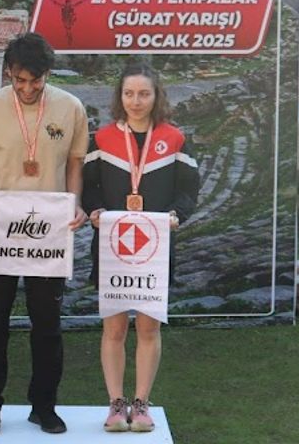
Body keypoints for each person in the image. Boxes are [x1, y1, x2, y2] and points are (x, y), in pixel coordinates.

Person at [0, 33, 88, 436]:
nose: (28, 89)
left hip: (49, 233)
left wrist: (75, 204)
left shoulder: (71, 107)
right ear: (9, 73)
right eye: (20, 80)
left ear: (47, 74)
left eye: (36, 81)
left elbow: (75, 164)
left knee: (48, 325)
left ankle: (44, 406)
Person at [81, 62, 199, 433]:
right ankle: (116, 404)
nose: (136, 101)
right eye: (129, 93)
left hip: (155, 248)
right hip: (113, 247)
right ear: (120, 97)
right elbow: (88, 186)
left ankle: (142, 403)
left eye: (144, 94)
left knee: (148, 328)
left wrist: (178, 213)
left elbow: (188, 189)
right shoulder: (102, 139)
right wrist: (94, 209)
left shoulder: (175, 139)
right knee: (114, 329)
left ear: (156, 96)